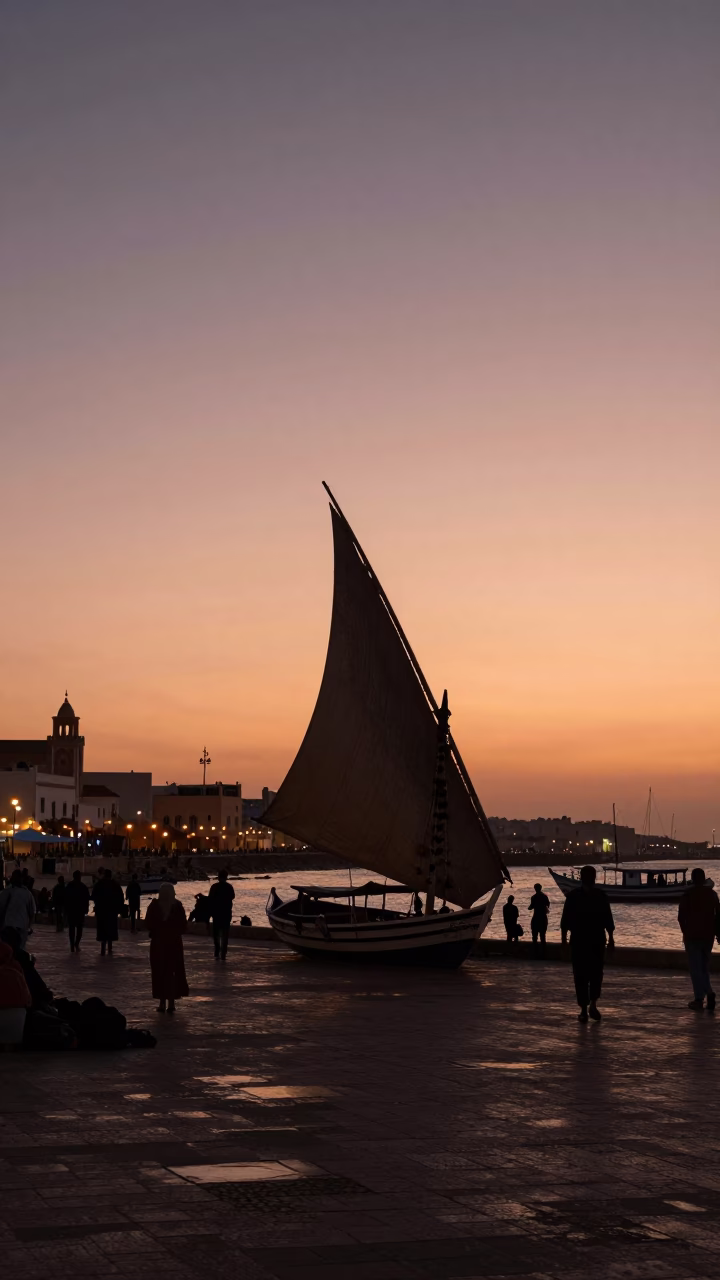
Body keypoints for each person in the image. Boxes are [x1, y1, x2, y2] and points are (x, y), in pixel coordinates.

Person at [561, 865, 615, 1023]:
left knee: (580, 975)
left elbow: (565, 921)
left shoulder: (573, 896)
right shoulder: (601, 896)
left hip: (579, 941)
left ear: (581, 878)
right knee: (596, 973)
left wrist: (564, 941)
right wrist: (611, 939)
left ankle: (584, 1009)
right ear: (594, 878)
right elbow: (608, 919)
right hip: (597, 940)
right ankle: (593, 1003)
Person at [678, 868, 720, 1011]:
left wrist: (685, 932)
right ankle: (706, 993)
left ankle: (701, 997)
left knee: (695, 969)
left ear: (693, 879)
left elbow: (681, 917)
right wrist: (718, 934)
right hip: (708, 936)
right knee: (704, 967)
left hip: (692, 936)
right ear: (704, 879)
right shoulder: (713, 895)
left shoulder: (687, 895)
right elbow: (718, 916)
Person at [146, 884, 188, 1013]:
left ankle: (162, 1003)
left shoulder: (154, 906)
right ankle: (171, 1003)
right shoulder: (177, 906)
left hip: (158, 944)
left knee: (160, 972)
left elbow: (148, 923)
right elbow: (183, 925)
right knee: (172, 972)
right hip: (174, 944)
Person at [90, 868, 124, 956]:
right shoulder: (115, 885)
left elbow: (93, 896)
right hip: (112, 911)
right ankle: (109, 947)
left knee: (102, 929)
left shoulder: (99, 884)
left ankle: (103, 948)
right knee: (111, 929)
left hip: (101, 911)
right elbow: (120, 898)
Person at [0, 870, 36, 948]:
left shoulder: (6, 892)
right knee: (19, 951)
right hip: (21, 928)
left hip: (8, 927)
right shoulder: (27, 894)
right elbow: (32, 912)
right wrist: (29, 927)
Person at [208, 868, 235, 961]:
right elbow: (232, 897)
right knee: (225, 934)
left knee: (216, 933)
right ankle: (223, 952)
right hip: (226, 913)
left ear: (218, 877)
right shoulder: (229, 887)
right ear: (226, 877)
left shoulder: (214, 887)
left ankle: (217, 950)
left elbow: (210, 899)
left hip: (216, 913)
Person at [64, 870, 90, 953]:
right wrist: (86, 909)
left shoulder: (69, 886)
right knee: (79, 929)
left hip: (72, 911)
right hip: (79, 911)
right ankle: (76, 944)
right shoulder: (83, 887)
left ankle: (73, 945)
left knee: (72, 929)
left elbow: (66, 898)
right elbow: (87, 899)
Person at [528, 883, 550, 957]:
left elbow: (531, 907)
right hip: (543, 918)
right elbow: (548, 905)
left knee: (534, 937)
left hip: (536, 918)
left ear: (535, 888)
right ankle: (544, 954)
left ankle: (535, 953)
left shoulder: (533, 897)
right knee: (543, 936)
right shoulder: (545, 897)